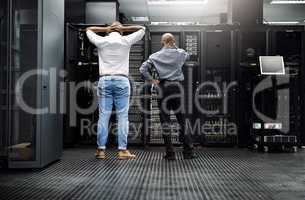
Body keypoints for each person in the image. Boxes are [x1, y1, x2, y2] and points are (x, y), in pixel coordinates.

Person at [86, 21, 145, 160]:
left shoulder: (101, 40)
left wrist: (105, 28)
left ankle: (101, 151)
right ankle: (122, 150)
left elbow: (88, 29)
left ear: (108, 31)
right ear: (122, 32)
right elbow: (143, 29)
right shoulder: (126, 40)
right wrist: (125, 28)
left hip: (104, 80)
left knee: (103, 116)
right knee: (123, 116)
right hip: (122, 81)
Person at [140, 33, 196, 160]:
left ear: (162, 42)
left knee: (165, 121)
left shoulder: (155, 56)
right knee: (182, 120)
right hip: (176, 87)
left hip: (163, 88)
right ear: (173, 41)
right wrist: (175, 47)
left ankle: (170, 154)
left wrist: (153, 81)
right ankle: (188, 152)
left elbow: (142, 69)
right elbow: (188, 56)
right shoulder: (180, 53)